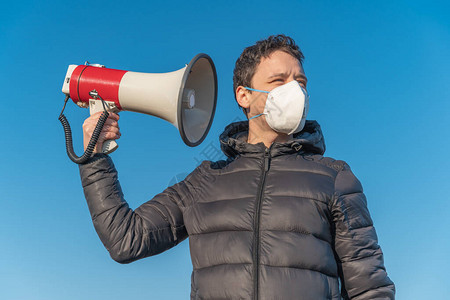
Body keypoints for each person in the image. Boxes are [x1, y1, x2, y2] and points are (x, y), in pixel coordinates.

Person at [79, 34, 395, 300]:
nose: (294, 91)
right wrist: (94, 157)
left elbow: (370, 290)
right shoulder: (203, 181)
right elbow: (125, 239)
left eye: (300, 82)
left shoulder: (334, 177)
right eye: (278, 80)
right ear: (244, 96)